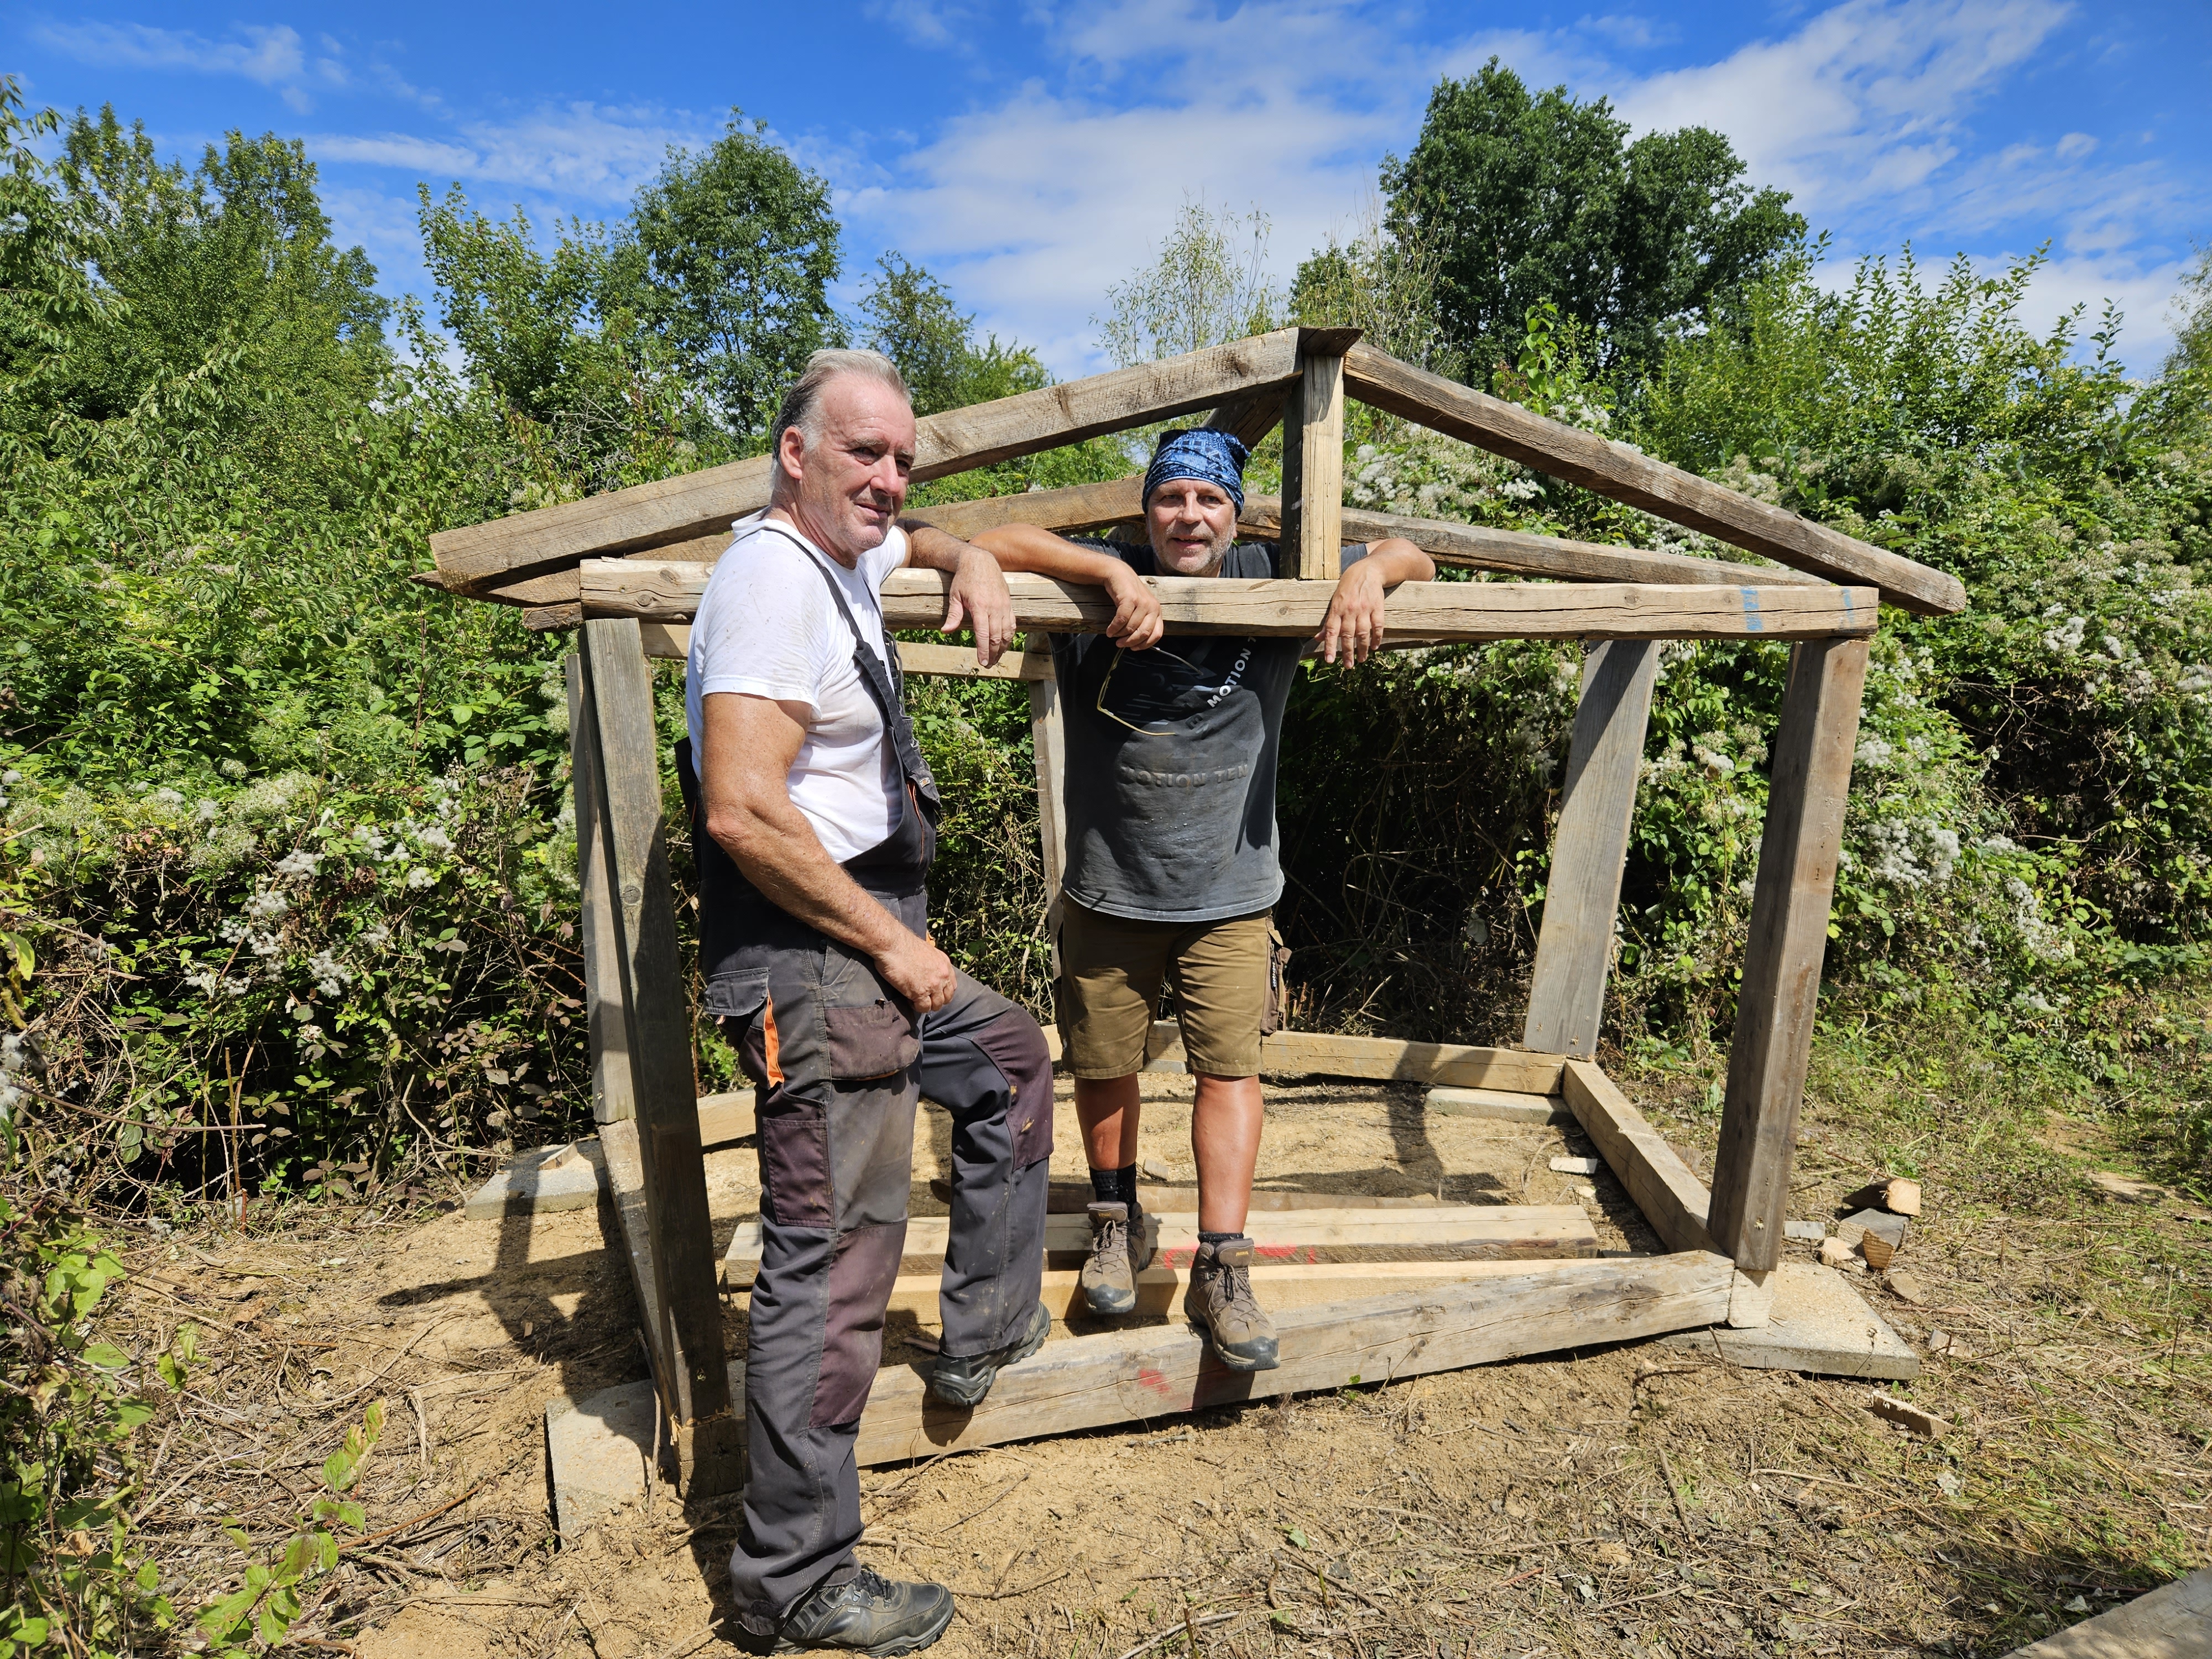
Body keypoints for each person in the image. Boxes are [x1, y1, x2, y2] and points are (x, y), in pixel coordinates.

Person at [683, 348, 1055, 1656]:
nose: (890, 480)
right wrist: (886, 947)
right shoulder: (769, 586)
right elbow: (740, 808)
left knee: (1006, 1058)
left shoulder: (841, 560)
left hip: (862, 941)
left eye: (904, 458)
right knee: (832, 1268)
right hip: (816, 956)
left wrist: (973, 559)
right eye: (864, 455)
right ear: (796, 453)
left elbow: (947, 534)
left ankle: (984, 1334)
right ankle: (793, 1579)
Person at [972, 429, 1434, 1373]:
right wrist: (1105, 574)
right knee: (1105, 1063)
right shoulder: (1097, 576)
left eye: (1209, 500)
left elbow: (1416, 553)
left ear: (1236, 514)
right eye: (1171, 497)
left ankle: (1222, 1265)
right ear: (1147, 511)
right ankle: (1116, 1221)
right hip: (1110, 889)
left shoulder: (1274, 573)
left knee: (1228, 1071)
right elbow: (1001, 541)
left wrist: (1362, 578)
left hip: (1230, 892)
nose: (1189, 516)